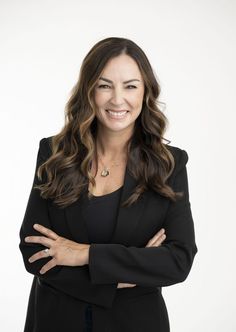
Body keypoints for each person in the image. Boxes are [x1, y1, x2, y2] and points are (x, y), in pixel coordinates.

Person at [19, 36, 198, 332]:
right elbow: (34, 253)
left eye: (130, 86)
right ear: (89, 91)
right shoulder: (54, 153)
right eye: (104, 85)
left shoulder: (169, 164)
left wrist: (85, 255)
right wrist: (122, 273)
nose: (117, 99)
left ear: (145, 92)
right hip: (55, 321)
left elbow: (178, 261)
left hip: (135, 323)